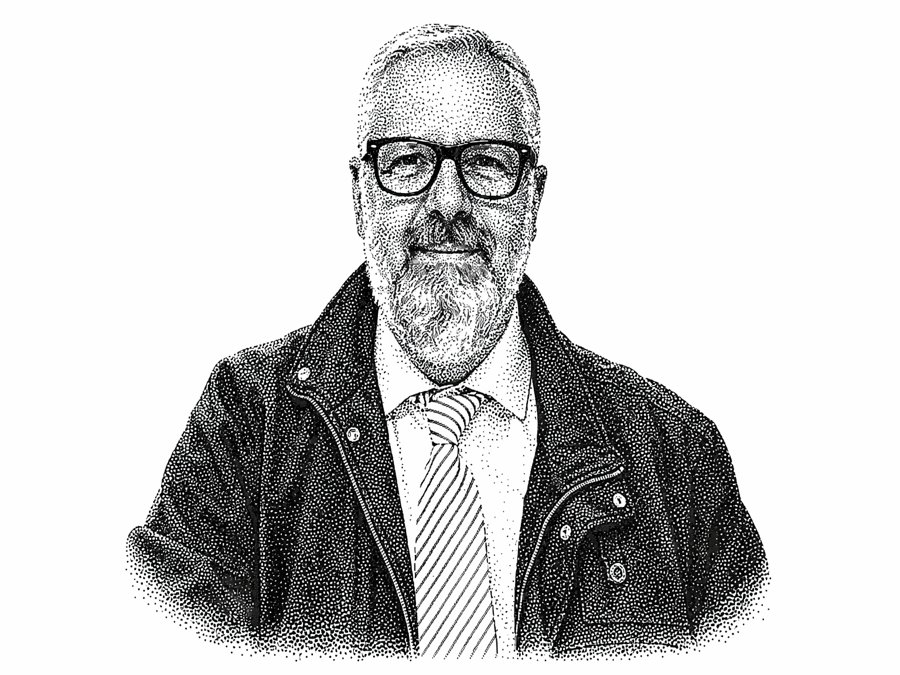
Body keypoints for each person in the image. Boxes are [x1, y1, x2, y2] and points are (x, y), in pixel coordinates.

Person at [127, 24, 767, 658]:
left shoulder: (677, 456)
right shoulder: (246, 422)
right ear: (358, 196)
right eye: (406, 161)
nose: (447, 202)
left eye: (488, 163)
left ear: (535, 199)